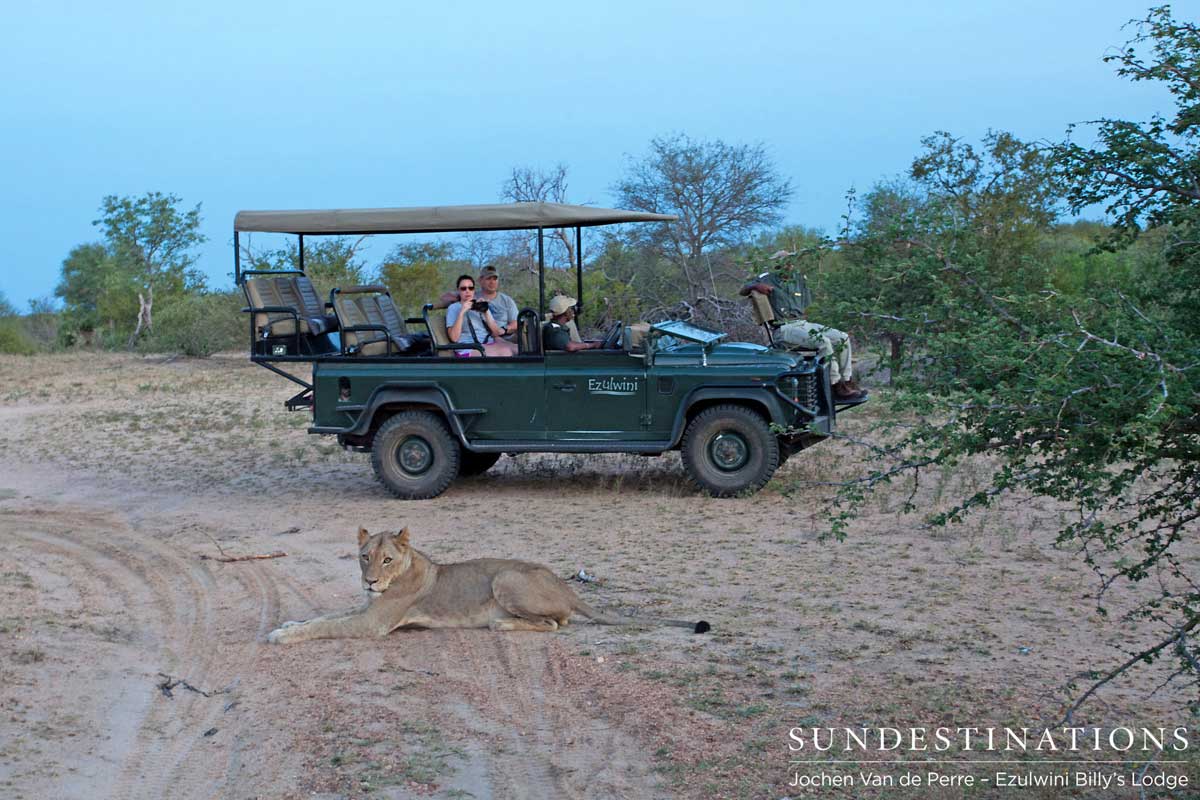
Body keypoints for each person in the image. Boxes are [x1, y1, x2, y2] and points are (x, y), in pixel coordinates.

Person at [739, 252, 866, 402]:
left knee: (842, 338)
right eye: (784, 263)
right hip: (784, 328)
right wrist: (756, 285)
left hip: (802, 324)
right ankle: (835, 385)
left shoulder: (799, 279)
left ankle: (847, 381)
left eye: (790, 263)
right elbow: (743, 289)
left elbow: (807, 305)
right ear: (777, 265)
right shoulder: (767, 278)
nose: (788, 266)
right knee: (824, 342)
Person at [445, 275, 517, 357]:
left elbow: (496, 332)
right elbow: (454, 338)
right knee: (505, 352)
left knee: (518, 349)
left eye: (470, 288)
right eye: (463, 288)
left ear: (474, 290)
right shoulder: (454, 308)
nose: (467, 291)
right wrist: (462, 312)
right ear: (458, 291)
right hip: (469, 347)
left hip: (488, 342)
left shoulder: (478, 305)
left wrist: (486, 311)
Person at [476, 265, 519, 339]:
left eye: (495, 279)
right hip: (479, 340)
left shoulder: (507, 300)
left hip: (504, 340)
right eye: (488, 278)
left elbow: (516, 322)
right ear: (480, 280)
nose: (492, 282)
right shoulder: (472, 297)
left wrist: (504, 329)